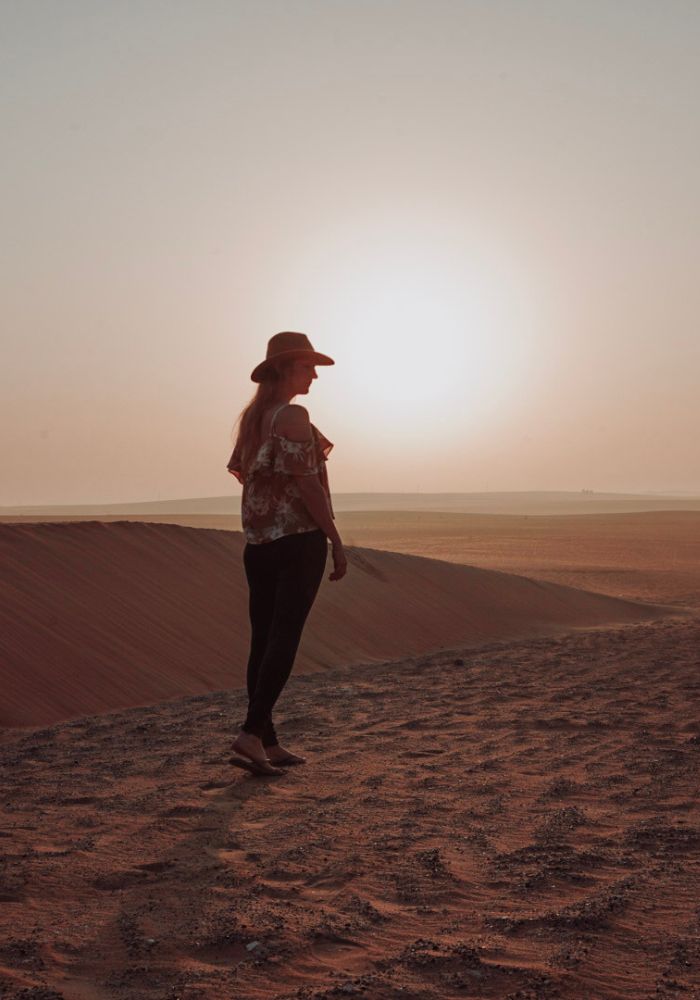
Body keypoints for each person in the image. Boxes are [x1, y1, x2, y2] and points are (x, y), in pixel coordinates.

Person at [226, 331, 347, 775]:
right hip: (298, 541)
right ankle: (252, 733)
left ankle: (268, 741)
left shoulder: (253, 419)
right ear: (283, 369)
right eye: (306, 366)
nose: (314, 373)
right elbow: (306, 482)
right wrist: (335, 538)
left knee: (264, 639)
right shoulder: (292, 414)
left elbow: (251, 478)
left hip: (258, 545)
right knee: (284, 637)